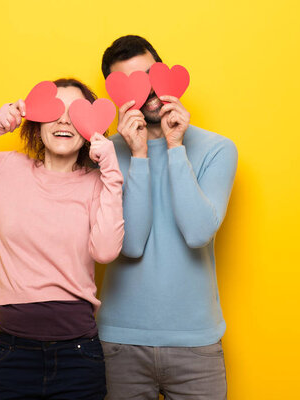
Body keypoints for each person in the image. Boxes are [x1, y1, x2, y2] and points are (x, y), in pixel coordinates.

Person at [0, 78, 124, 400]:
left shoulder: (99, 183)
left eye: (77, 112)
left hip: (79, 354)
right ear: (36, 121)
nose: (64, 120)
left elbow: (106, 252)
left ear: (91, 128)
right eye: (55, 109)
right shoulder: (2, 170)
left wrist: (112, 172)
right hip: (13, 352)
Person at [97, 35, 238, 400]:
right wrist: (139, 155)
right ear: (119, 96)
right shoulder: (106, 152)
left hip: (196, 343)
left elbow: (197, 233)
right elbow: (130, 245)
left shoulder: (217, 149)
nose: (147, 92)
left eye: (149, 75)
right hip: (121, 343)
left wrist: (175, 147)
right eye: (133, 85)